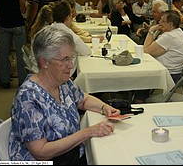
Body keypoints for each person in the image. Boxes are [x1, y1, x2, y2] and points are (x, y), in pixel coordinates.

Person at [9, 25, 120, 163]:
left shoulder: (63, 83)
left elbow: (83, 100)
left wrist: (104, 107)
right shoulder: (27, 97)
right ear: (44, 62)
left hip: (69, 155)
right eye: (65, 59)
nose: (71, 64)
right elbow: (41, 152)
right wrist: (88, 132)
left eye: (71, 58)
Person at [144, 10, 183, 83]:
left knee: (139, 72)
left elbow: (146, 50)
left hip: (168, 74)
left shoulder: (169, 37)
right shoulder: (179, 31)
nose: (159, 22)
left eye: (162, 21)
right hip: (177, 72)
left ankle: (139, 94)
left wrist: (151, 30)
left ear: (170, 24)